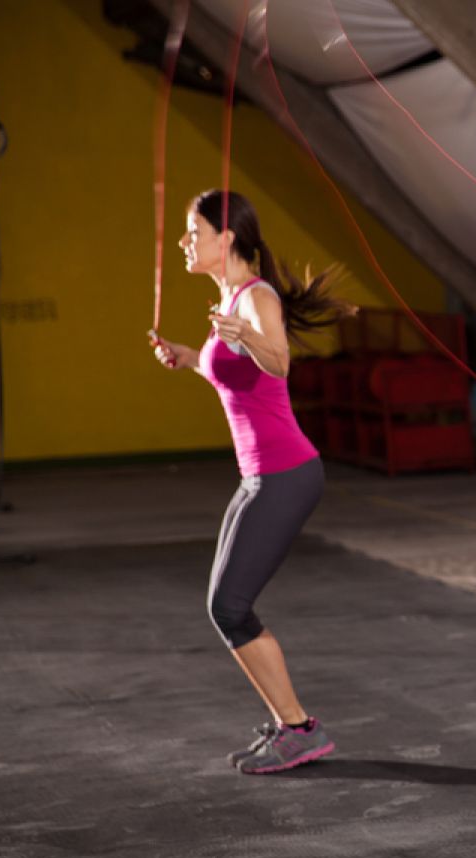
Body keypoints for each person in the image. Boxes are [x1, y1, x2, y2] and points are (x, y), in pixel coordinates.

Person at [150, 190, 352, 775]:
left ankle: (299, 729)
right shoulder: (231, 302)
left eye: (193, 232)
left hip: (286, 473)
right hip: (258, 475)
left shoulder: (256, 298)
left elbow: (280, 363)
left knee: (230, 606)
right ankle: (290, 725)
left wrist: (243, 335)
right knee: (225, 607)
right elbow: (237, 380)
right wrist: (192, 357)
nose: (185, 242)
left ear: (226, 238)